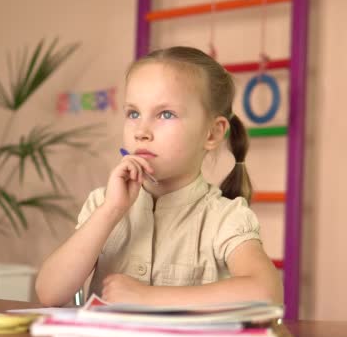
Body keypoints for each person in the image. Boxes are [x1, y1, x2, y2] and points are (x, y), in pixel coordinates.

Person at [35, 46, 283, 307]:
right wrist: (111, 210)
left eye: (166, 114)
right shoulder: (103, 203)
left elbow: (267, 294)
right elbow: (49, 293)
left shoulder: (225, 217)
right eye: (133, 113)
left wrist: (148, 297)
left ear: (212, 133)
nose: (141, 131)